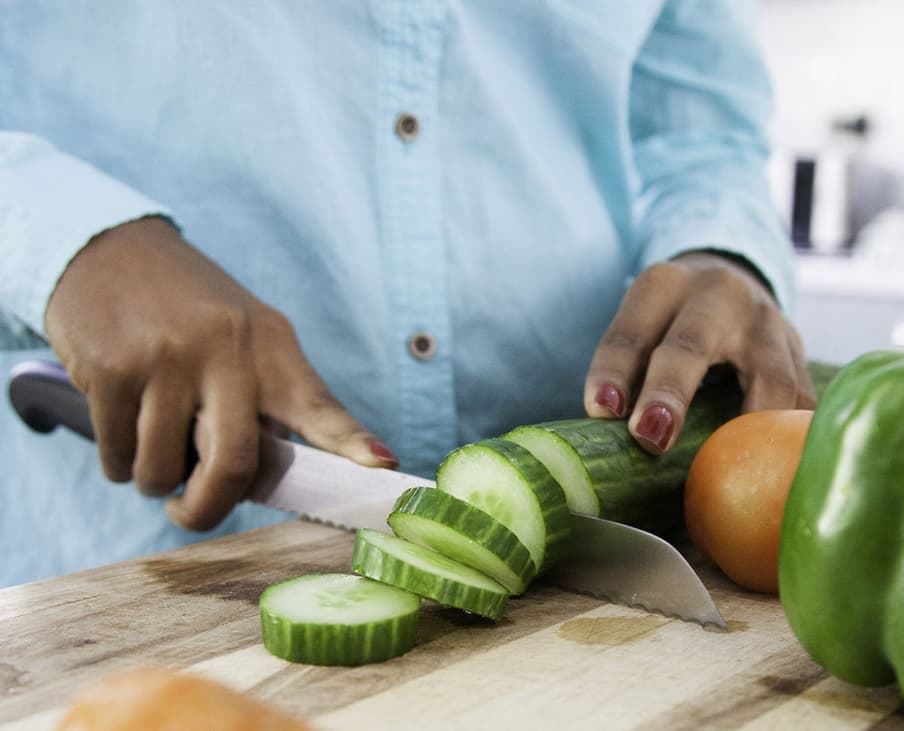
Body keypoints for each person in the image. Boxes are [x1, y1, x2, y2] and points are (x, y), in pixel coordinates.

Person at [0, 2, 813, 588]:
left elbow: (705, 133)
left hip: (576, 555)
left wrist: (720, 249)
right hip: (122, 581)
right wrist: (60, 239)